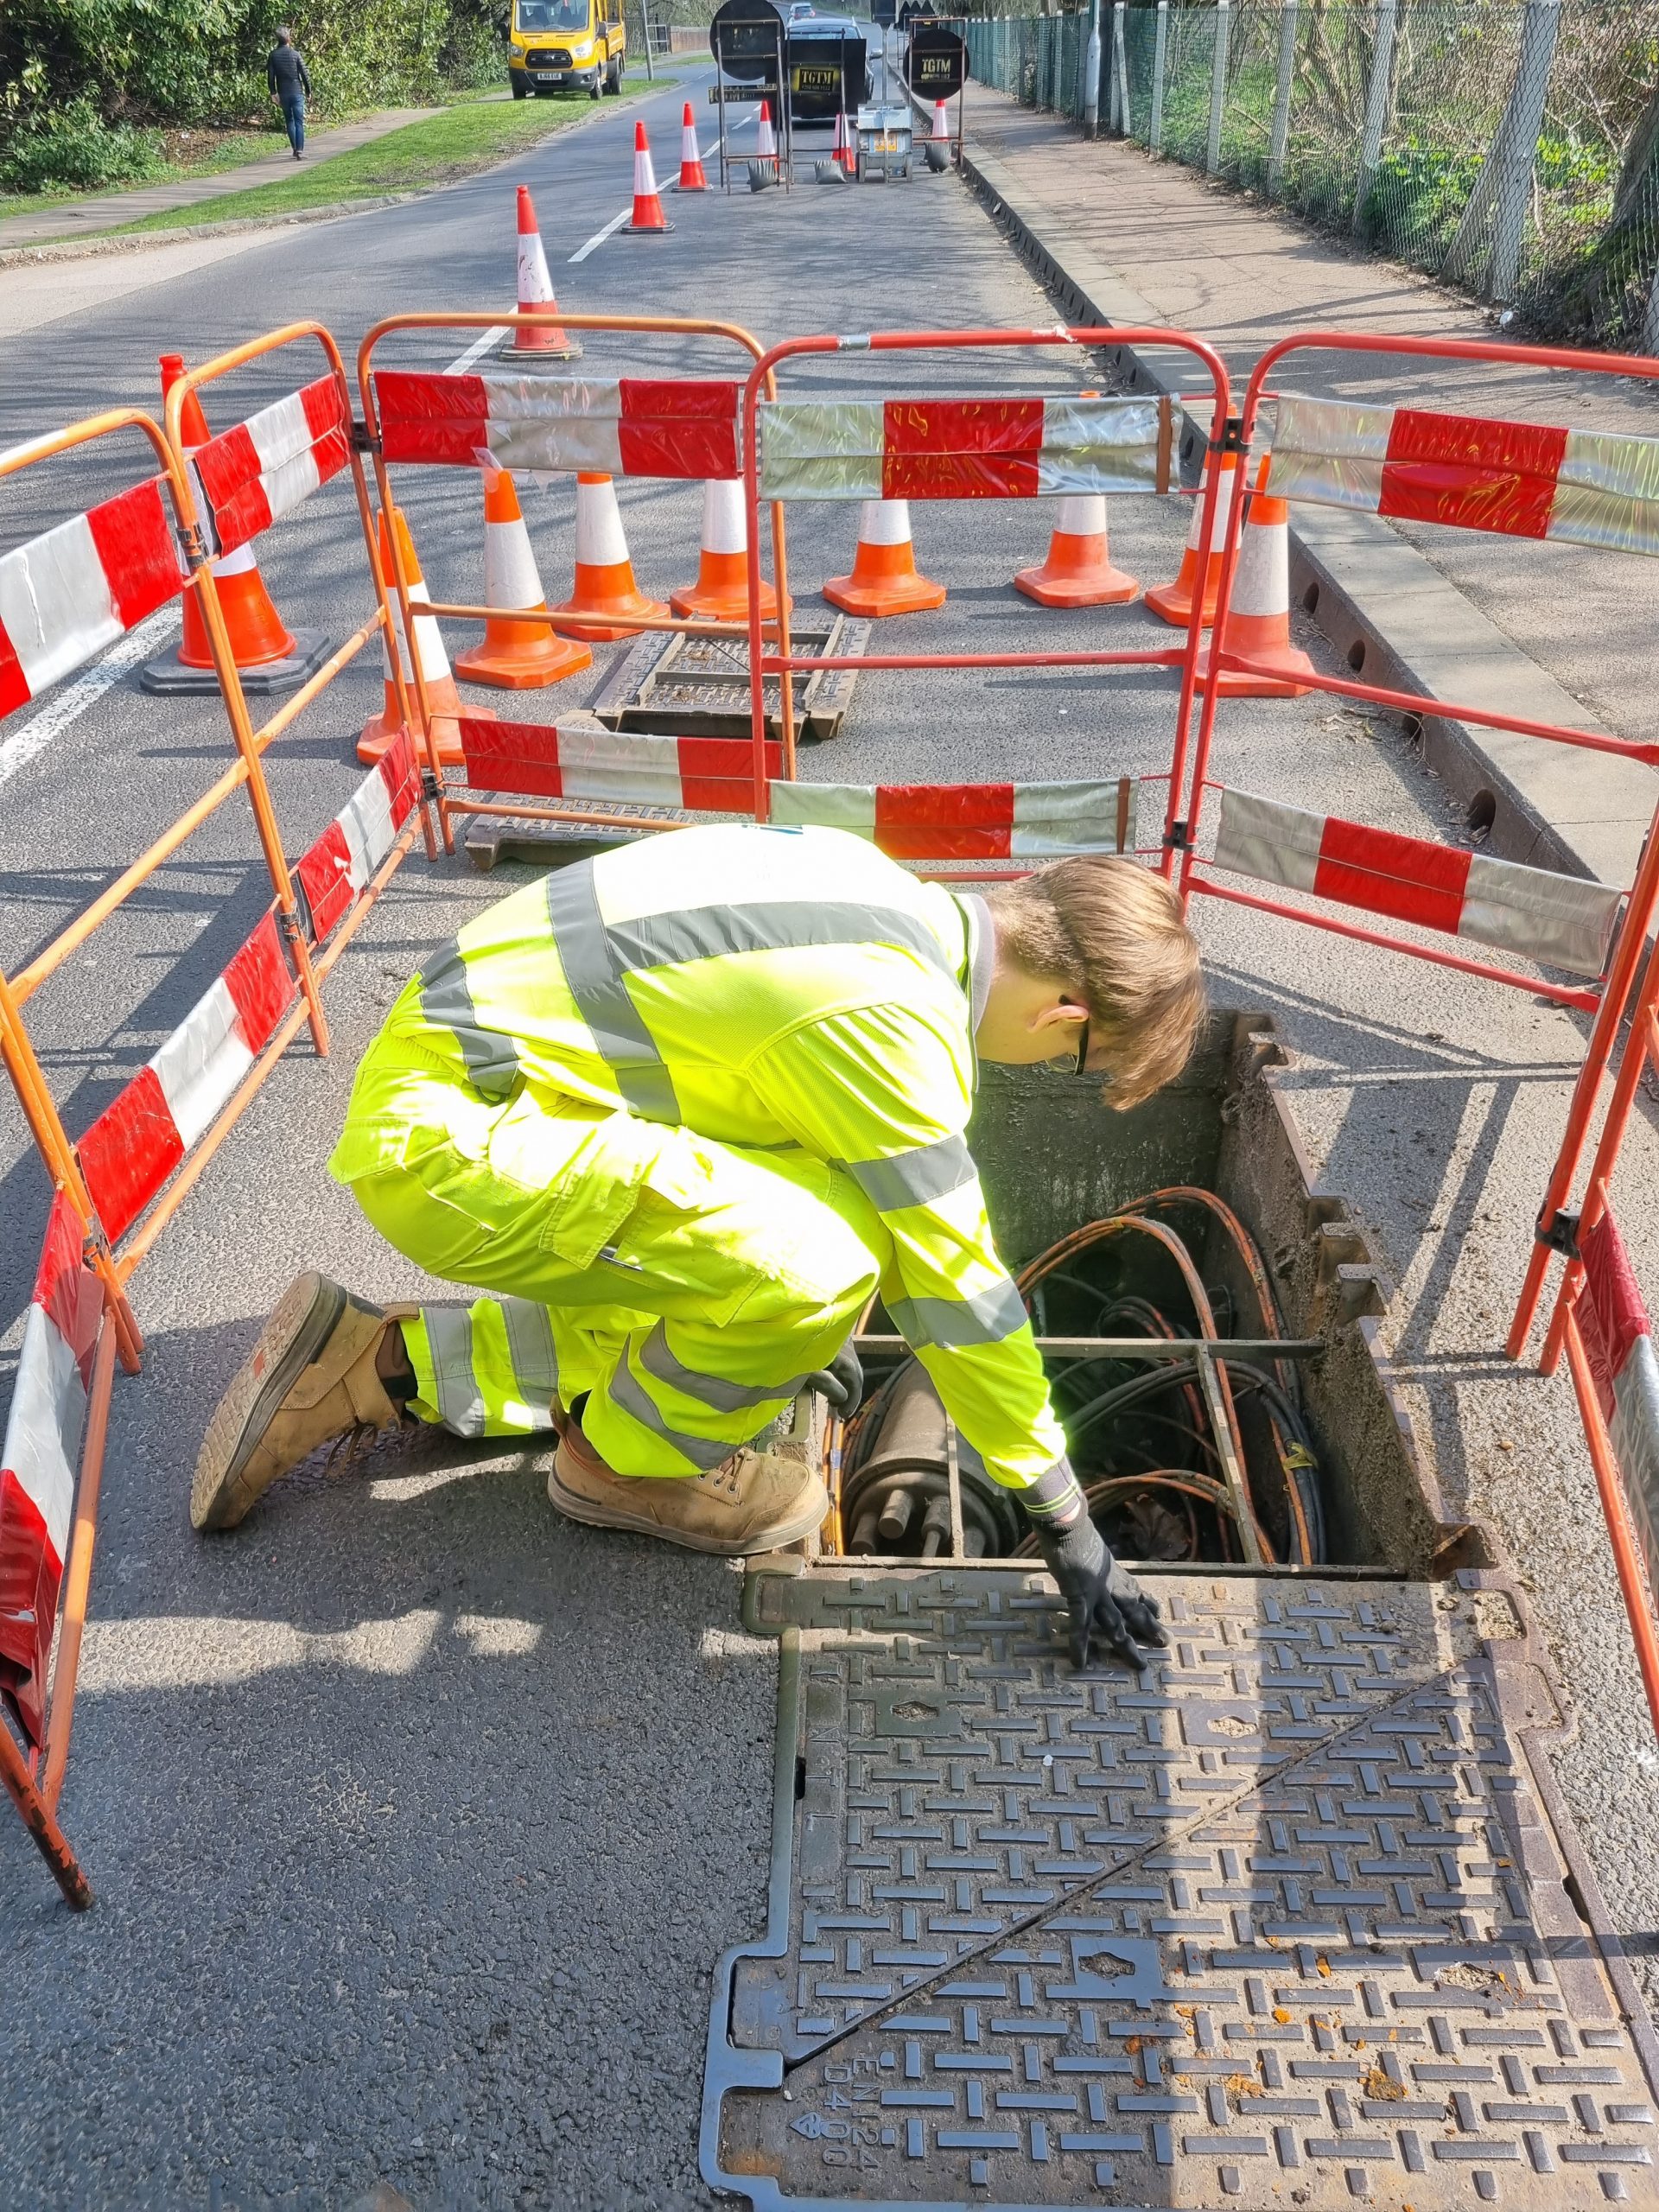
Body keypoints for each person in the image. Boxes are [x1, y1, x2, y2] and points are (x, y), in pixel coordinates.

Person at [192, 824, 1205, 1669]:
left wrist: (781, 1339)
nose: (1055, 1067)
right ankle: (629, 1463)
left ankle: (375, 1365)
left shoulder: (873, 886)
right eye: (1079, 1062)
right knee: (823, 1268)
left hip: (480, 1092)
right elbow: (958, 1289)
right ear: (1065, 1012)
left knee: (812, 1233)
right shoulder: (896, 1025)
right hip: (449, 1145)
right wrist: (1065, 1518)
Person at [267, 28, 312, 159]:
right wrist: (308, 91)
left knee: (289, 120)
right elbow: (304, 74)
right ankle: (300, 150)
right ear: (289, 39)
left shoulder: (273, 55)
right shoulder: (295, 54)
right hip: (297, 91)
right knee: (299, 121)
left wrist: (273, 93)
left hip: (283, 92)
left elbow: (271, 76)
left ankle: (294, 148)